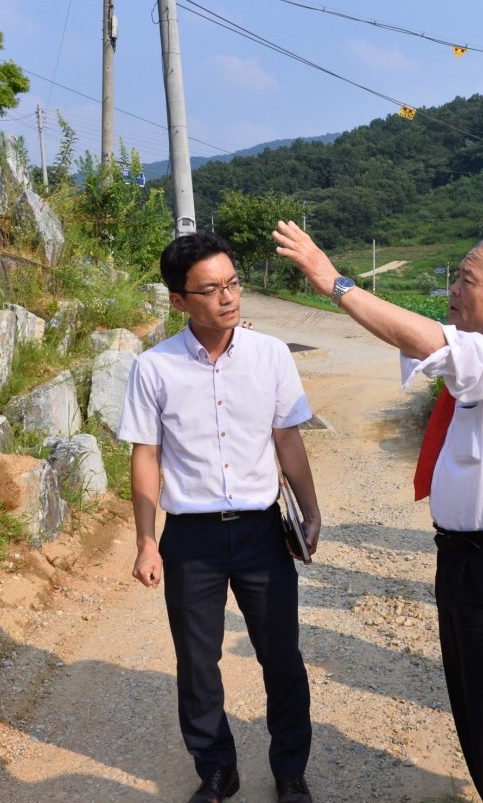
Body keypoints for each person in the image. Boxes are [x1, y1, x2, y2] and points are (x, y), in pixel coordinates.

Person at [273, 226, 483, 803]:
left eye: (466, 280)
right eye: (453, 277)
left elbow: (428, 341)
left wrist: (334, 283)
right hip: (477, 558)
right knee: (482, 722)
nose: (452, 289)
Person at [119, 232, 322, 803]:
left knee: (281, 657)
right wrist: (146, 541)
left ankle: (290, 772)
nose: (228, 298)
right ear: (179, 301)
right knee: (197, 661)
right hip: (191, 539)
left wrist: (311, 511)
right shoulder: (153, 369)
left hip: (262, 532)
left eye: (232, 284)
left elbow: (288, 438)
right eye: (210, 290)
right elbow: (145, 455)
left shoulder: (271, 355)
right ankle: (216, 769)